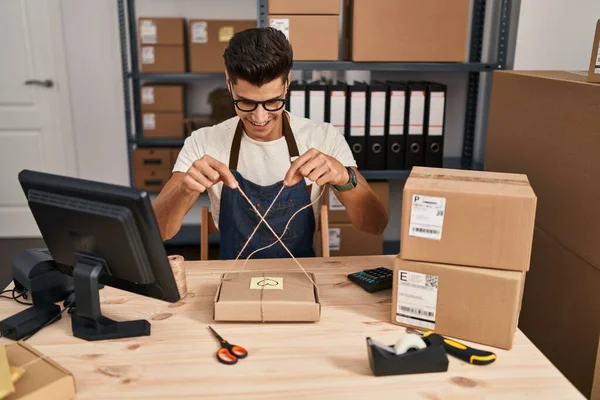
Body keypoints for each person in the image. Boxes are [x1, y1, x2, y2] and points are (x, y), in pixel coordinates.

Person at [153, 27, 388, 260]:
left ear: (287, 82)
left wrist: (345, 178)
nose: (259, 117)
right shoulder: (203, 143)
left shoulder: (322, 138)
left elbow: (375, 225)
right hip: (232, 275)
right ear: (229, 82)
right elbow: (158, 232)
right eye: (245, 103)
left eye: (273, 102)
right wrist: (184, 190)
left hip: (300, 274)